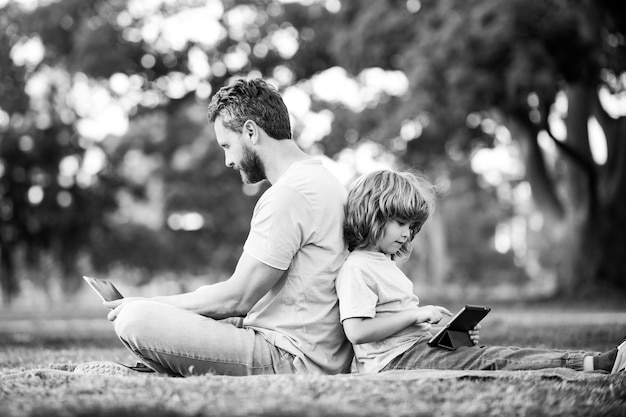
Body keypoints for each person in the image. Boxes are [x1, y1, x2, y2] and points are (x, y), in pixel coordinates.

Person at [74, 78, 353, 377]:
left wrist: (148, 303)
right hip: (304, 346)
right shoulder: (324, 181)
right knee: (172, 315)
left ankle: (153, 369)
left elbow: (237, 298)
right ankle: (153, 369)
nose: (228, 161)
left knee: (134, 319)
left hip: (290, 356)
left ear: (250, 131)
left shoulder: (289, 195)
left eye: (227, 146)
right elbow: (246, 299)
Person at [335, 169, 626, 374]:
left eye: (412, 227)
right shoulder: (357, 267)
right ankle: (592, 363)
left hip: (414, 348)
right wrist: (416, 313)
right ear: (372, 214)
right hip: (394, 361)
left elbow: (398, 326)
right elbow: (357, 331)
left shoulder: (384, 263)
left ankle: (592, 361)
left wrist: (448, 337)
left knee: (496, 355)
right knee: (495, 361)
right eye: (400, 223)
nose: (407, 235)